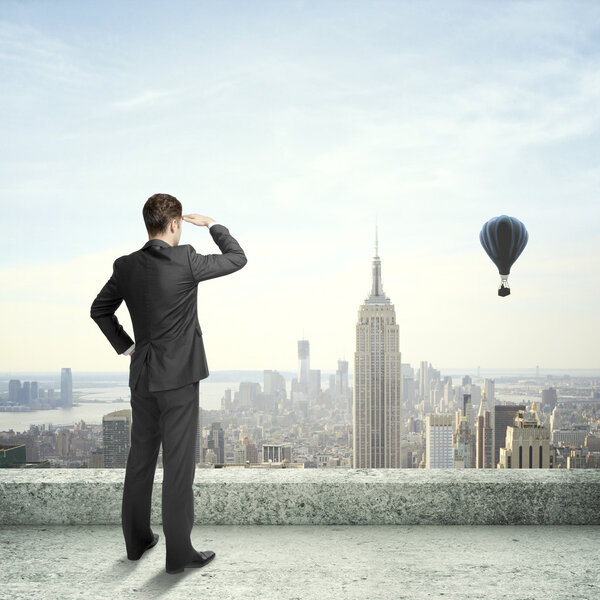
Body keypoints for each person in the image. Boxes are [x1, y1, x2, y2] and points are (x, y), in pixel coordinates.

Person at [90, 193, 247, 574]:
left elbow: (99, 309)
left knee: (140, 459)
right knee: (178, 466)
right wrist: (212, 225)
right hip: (179, 379)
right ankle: (179, 554)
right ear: (175, 223)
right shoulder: (187, 258)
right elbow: (237, 258)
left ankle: (136, 542)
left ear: (148, 225)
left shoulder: (125, 266)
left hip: (142, 375)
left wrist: (127, 346)